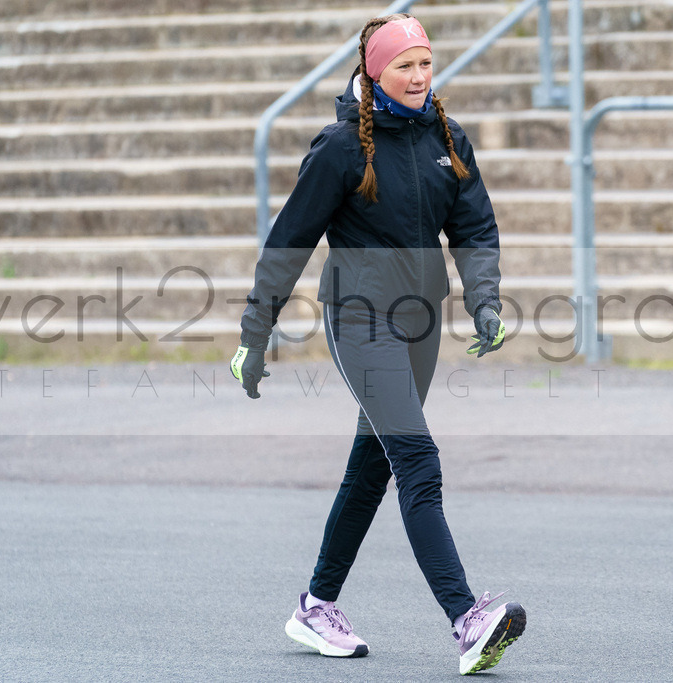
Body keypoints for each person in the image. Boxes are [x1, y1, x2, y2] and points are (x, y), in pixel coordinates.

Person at [229, 13, 525, 676]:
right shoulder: (340, 149)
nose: (419, 77)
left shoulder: (449, 139)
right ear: (375, 73)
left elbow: (475, 228)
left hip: (421, 325)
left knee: (374, 467)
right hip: (361, 321)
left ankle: (317, 604)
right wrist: (255, 332)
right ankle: (468, 619)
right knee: (420, 462)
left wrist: (485, 302)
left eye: (425, 63)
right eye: (404, 66)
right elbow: (289, 243)